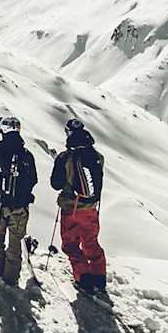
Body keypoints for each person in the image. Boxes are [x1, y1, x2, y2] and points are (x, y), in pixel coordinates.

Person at [0, 116, 38, 284]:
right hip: (20, 208)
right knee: (15, 245)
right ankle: (11, 279)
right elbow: (33, 180)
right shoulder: (27, 155)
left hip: (0, 206)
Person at [51, 118, 107, 296]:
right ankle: (99, 277)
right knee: (91, 242)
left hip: (71, 209)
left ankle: (84, 279)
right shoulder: (97, 156)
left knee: (71, 245)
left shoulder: (65, 157)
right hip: (91, 208)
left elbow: (56, 184)